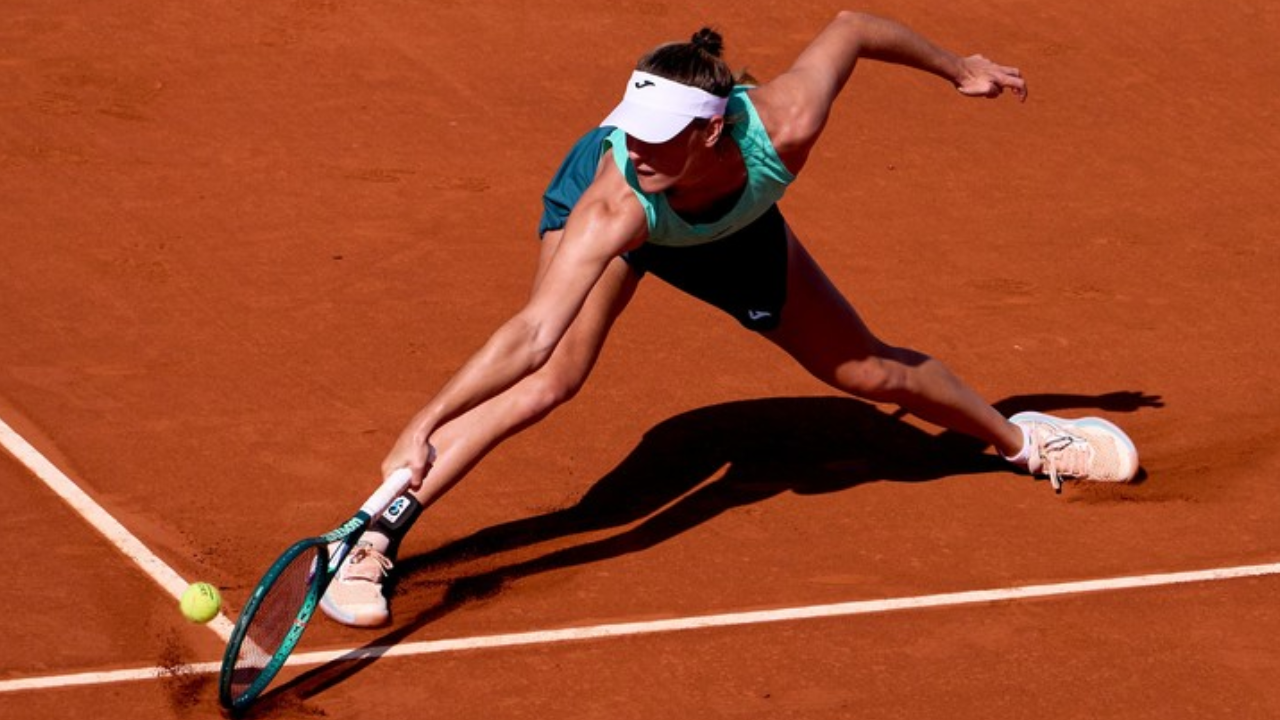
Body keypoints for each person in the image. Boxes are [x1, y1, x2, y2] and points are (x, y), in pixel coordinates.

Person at [320, 11, 1140, 628]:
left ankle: (1026, 441)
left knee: (862, 370)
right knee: (551, 378)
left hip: (731, 227)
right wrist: (424, 420)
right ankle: (369, 532)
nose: (632, 148)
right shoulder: (615, 197)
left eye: (653, 138)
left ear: (713, 131)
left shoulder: (784, 124)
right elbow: (532, 334)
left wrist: (957, 66)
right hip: (644, 230)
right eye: (628, 131)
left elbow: (852, 27)